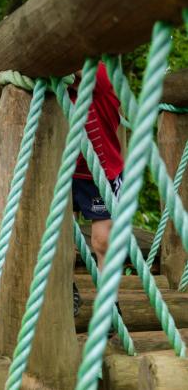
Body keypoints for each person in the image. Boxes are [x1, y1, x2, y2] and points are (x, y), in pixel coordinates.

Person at [70, 62, 124, 316]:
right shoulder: (55, 90)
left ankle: (109, 302)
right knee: (62, 238)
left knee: (103, 240)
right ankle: (65, 288)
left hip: (100, 175)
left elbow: (82, 67)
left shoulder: (99, 78)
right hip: (66, 173)